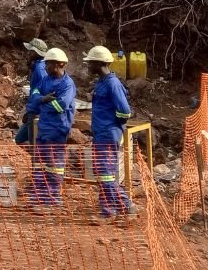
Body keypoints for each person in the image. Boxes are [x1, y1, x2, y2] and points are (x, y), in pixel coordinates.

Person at [84, 45, 138, 221]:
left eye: (90, 62)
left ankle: (110, 211)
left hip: (107, 134)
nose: (88, 66)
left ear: (99, 63)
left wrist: (114, 126)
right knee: (103, 173)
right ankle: (125, 206)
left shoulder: (112, 84)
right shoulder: (102, 82)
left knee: (105, 173)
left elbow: (125, 111)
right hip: (102, 133)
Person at [26, 48, 77, 212]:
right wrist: (43, 99)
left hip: (57, 129)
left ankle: (53, 200)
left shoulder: (67, 84)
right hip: (44, 128)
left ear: (59, 64)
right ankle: (38, 197)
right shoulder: (45, 80)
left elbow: (61, 105)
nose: (45, 67)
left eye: (48, 64)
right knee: (40, 165)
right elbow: (34, 95)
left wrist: (41, 104)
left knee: (54, 166)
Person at [16, 38, 49, 146]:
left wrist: (33, 111)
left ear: (36, 52)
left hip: (36, 112)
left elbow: (41, 92)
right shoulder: (39, 67)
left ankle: (35, 155)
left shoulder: (40, 69)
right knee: (20, 139)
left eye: (30, 51)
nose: (28, 53)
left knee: (32, 144)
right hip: (34, 110)